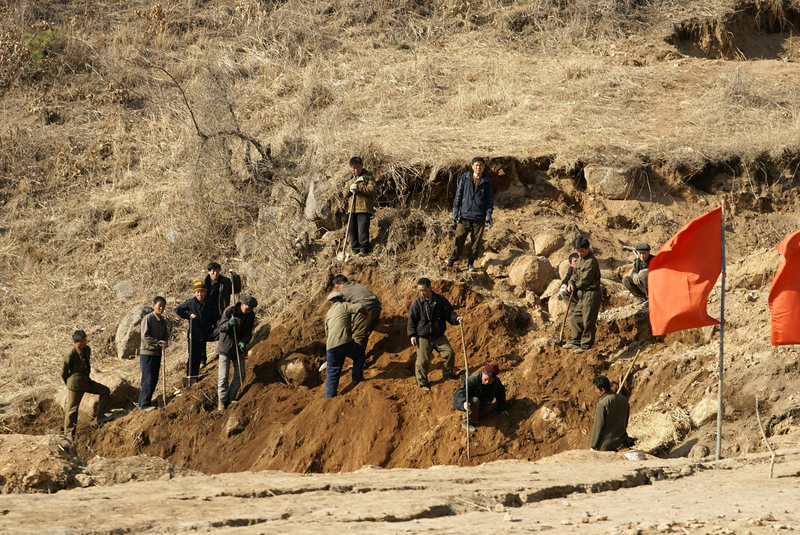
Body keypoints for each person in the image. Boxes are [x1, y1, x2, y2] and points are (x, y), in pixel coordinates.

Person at [407, 277, 462, 392]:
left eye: (423, 290)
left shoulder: (440, 300)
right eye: (419, 290)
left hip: (438, 336)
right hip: (423, 337)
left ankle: (447, 375)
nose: (422, 293)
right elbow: (412, 320)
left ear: (430, 287)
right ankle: (422, 382)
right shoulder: (417, 302)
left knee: (449, 354)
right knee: (422, 362)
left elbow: (449, 314)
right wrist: (412, 335)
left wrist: (456, 318)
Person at [61, 330, 111, 438]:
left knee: (105, 391)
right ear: (75, 342)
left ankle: (101, 416)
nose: (84, 342)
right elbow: (63, 372)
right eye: (82, 341)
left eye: (85, 340)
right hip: (75, 385)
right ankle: (69, 435)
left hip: (86, 381)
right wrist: (69, 384)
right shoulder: (71, 353)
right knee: (72, 410)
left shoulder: (87, 349)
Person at [448, 156, 494, 271]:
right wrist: (455, 209)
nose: (478, 167)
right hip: (465, 214)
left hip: (479, 216)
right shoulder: (466, 177)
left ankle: (470, 263)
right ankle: (451, 261)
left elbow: (489, 200)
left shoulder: (487, 181)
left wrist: (488, 215)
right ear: (472, 166)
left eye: (481, 165)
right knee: (459, 238)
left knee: (476, 242)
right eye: (476, 165)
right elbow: (459, 194)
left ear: (484, 167)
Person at [175, 278, 219, 386]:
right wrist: (188, 315)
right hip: (195, 334)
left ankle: (226, 354)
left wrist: (220, 326)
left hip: (208, 331)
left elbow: (216, 317)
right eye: (198, 292)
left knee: (223, 333)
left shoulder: (210, 303)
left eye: (202, 292)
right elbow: (178, 310)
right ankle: (191, 377)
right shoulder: (190, 302)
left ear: (205, 292)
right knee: (194, 356)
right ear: (195, 293)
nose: (200, 294)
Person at [217, 295, 258, 410]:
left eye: (251, 309)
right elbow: (220, 327)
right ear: (242, 304)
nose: (248, 311)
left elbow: (248, 333)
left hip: (238, 348)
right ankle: (222, 401)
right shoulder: (230, 311)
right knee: (223, 376)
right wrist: (229, 324)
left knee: (240, 373)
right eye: (247, 308)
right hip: (226, 347)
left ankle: (231, 396)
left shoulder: (250, 315)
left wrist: (244, 342)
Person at [324, 291, 366, 398]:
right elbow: (360, 306)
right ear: (342, 299)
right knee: (359, 353)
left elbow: (327, 331)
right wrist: (365, 314)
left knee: (332, 369)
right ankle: (357, 379)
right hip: (344, 341)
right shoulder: (344, 305)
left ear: (331, 303)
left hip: (330, 346)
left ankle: (329, 395)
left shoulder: (328, 313)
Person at [564, 237, 602, 354]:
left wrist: (575, 286)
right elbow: (575, 273)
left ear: (588, 248)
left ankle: (586, 345)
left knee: (588, 320)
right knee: (576, 316)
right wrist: (570, 282)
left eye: (582, 251)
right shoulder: (580, 259)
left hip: (591, 294)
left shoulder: (591, 261)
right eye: (578, 251)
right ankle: (575, 341)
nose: (580, 254)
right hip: (582, 294)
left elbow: (585, 281)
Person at [452, 364, 509, 432]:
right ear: (482, 373)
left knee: (490, 407)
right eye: (486, 379)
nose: (487, 382)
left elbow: (500, 394)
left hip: (483, 402)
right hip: (471, 402)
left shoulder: (496, 382)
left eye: (490, 381)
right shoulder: (472, 380)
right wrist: (463, 403)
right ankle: (467, 422)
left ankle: (473, 416)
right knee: (475, 401)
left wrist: (501, 408)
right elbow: (459, 394)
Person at [332, 274, 381, 350]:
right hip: (377, 308)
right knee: (364, 334)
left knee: (358, 336)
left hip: (366, 309)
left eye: (337, 287)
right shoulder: (356, 285)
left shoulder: (344, 291)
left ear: (341, 283)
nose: (338, 290)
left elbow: (340, 307)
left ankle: (357, 357)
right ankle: (361, 355)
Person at [139, 296, 170, 412]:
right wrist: (157, 342)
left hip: (157, 353)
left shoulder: (162, 321)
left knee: (154, 378)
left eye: (163, 306)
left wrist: (165, 342)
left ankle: (147, 400)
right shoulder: (148, 319)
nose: (161, 308)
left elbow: (165, 335)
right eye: (159, 305)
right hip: (147, 353)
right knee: (148, 378)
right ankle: (143, 404)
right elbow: (145, 336)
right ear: (153, 306)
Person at [342, 156, 376, 256]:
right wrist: (349, 190)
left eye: (358, 167)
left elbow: (372, 190)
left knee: (362, 230)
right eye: (353, 168)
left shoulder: (368, 177)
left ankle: (363, 250)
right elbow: (345, 194)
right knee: (352, 230)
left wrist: (359, 186)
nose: (356, 170)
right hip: (352, 209)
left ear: (362, 166)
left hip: (364, 208)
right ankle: (355, 250)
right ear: (350, 167)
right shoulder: (349, 179)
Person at [590, 375, 632, 451]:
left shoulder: (602, 404)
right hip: (621, 441)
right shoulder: (624, 399)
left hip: (606, 445)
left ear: (603, 390)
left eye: (596, 389)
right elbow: (625, 420)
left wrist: (593, 445)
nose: (595, 391)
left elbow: (598, 426)